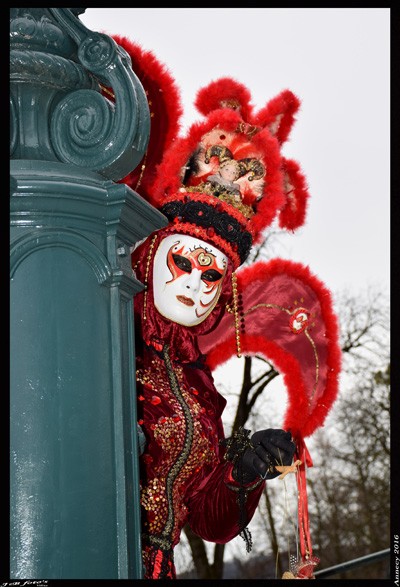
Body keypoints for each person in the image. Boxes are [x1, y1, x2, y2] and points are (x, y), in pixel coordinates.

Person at [111, 35, 341, 580]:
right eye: (182, 263)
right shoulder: (106, 331)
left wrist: (244, 468)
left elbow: (211, 521)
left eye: (212, 274)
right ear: (150, 258)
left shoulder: (196, 386)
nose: (194, 284)